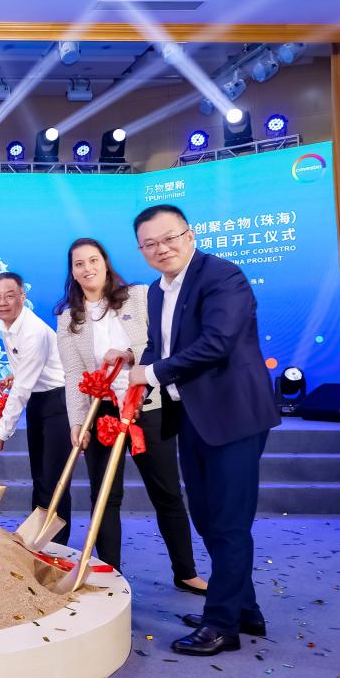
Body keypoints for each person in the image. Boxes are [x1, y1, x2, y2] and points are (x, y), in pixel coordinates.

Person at [127, 204, 280, 656]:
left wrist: (150, 374)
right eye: (150, 244)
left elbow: (217, 343)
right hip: (191, 416)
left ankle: (222, 625)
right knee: (207, 517)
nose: (162, 249)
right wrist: (134, 362)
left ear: (189, 235)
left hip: (233, 415)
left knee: (229, 521)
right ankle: (243, 609)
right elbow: (159, 347)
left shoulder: (222, 276)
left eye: (169, 238)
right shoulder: (157, 292)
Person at [55, 237, 206, 591]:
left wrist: (128, 354)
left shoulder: (138, 296)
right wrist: (77, 422)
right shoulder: (68, 319)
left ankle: (186, 571)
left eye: (93, 260)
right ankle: (110, 574)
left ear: (105, 263)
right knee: (105, 497)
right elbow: (74, 374)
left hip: (147, 406)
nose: (87, 268)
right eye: (79, 263)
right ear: (73, 272)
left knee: (167, 492)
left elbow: (160, 343)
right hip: (102, 413)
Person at [0, 272, 70, 544]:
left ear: (22, 297)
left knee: (54, 479)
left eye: (10, 296)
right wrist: (17, 372)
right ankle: (37, 541)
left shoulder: (32, 331)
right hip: (39, 401)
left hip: (59, 403)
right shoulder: (8, 325)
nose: (2, 302)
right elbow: (25, 376)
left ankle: (56, 545)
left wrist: (0, 434)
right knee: (40, 476)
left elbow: (21, 390)